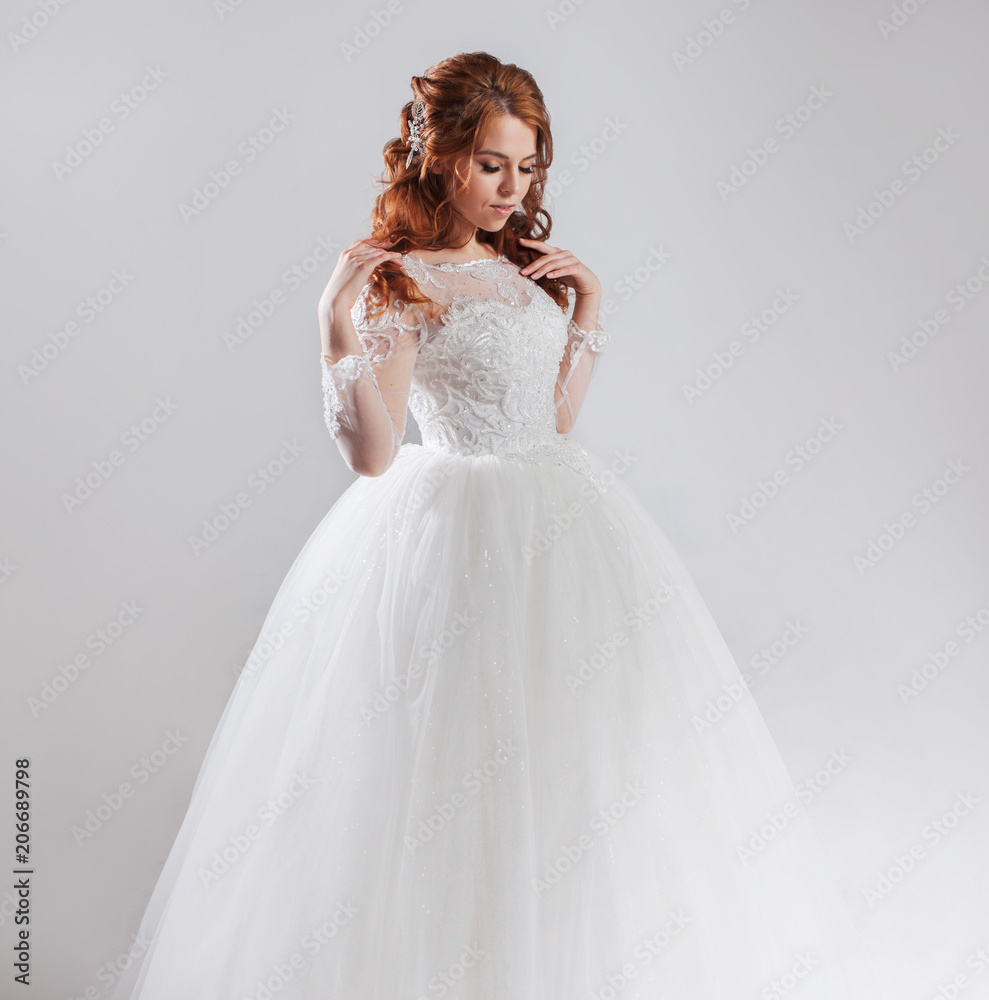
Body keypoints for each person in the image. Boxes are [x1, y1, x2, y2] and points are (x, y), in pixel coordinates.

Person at [112, 51, 886, 1000]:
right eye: (492, 166)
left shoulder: (520, 271)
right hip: (457, 535)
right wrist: (333, 326)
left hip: (563, 523)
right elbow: (373, 454)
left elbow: (552, 421)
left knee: (582, 767)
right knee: (454, 771)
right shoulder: (401, 280)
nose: (513, 191)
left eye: (528, 168)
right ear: (439, 157)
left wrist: (589, 306)